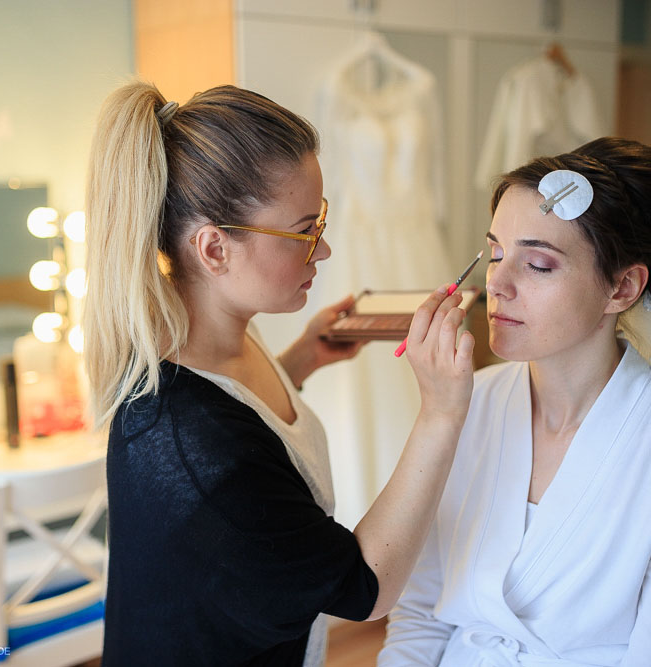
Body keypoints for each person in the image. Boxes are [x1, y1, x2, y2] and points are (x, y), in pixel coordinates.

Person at [82, 81, 475, 666]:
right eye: (301, 231)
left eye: (319, 221)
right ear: (214, 249)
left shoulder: (212, 329)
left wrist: (303, 361)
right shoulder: (197, 444)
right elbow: (365, 588)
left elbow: (247, 425)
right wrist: (441, 414)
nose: (323, 251)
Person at [379, 136, 651, 666]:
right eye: (494, 254)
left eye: (537, 265)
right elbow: (418, 612)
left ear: (622, 288)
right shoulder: (465, 406)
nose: (498, 285)